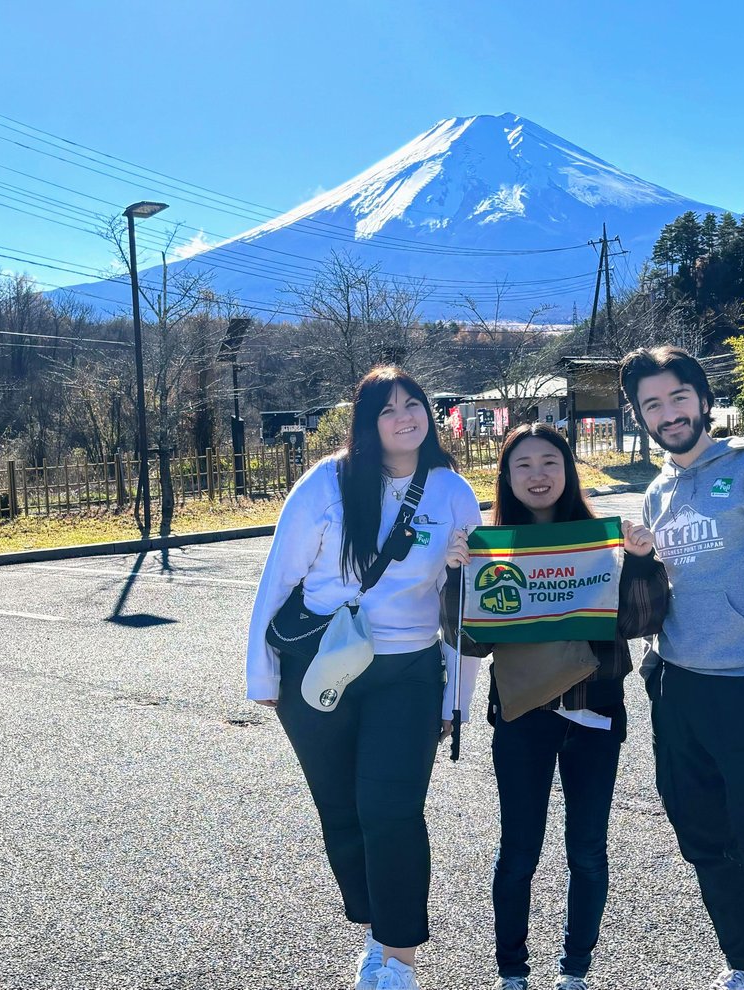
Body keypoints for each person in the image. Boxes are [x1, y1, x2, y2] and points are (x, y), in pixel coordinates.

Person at [246, 366, 483, 990]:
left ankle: (396, 956)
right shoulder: (326, 483)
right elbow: (278, 580)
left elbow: (463, 603)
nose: (405, 417)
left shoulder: (453, 491)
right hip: (319, 667)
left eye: (415, 405)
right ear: (366, 421)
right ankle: (377, 930)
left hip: (408, 673)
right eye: (388, 409)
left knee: (392, 810)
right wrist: (261, 674)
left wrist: (458, 694)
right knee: (342, 811)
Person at [618, 346, 744, 990]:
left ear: (703, 399)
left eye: (677, 397)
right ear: (640, 416)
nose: (667, 413)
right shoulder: (657, 492)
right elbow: (666, 592)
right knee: (704, 841)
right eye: (651, 403)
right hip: (677, 690)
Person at [448, 424, 668, 990]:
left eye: (550, 461)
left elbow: (638, 624)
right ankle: (512, 972)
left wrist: (642, 562)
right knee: (518, 854)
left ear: (568, 471)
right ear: (507, 477)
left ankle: (575, 971)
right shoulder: (491, 548)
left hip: (596, 716)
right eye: (523, 465)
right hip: (524, 720)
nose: (538, 474)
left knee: (589, 853)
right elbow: (468, 641)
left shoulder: (599, 543)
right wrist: (456, 576)